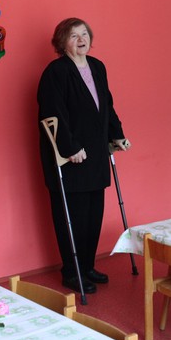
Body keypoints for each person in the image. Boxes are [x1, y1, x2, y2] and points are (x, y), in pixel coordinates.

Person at [37, 17, 131, 294]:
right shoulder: (56, 72)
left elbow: (107, 106)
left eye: (84, 34)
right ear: (62, 42)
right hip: (71, 158)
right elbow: (52, 114)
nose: (81, 40)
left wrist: (117, 135)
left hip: (96, 155)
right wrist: (70, 148)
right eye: (73, 35)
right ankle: (72, 271)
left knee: (93, 216)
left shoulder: (97, 67)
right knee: (72, 217)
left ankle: (87, 266)